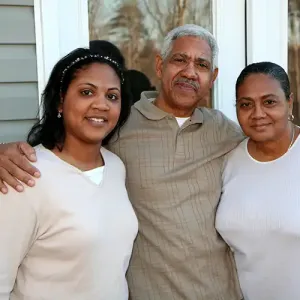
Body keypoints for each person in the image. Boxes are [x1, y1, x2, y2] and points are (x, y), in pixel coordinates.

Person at [0, 25, 244, 299]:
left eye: (201, 64)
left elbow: (275, 145)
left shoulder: (227, 133)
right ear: (160, 65)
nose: (189, 72)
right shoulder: (118, 129)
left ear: (213, 77)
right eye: (179, 59)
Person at [0, 47, 138, 299]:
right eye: (87, 92)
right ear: (60, 101)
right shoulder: (24, 173)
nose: (101, 104)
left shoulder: (116, 166)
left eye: (112, 96)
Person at [216, 62, 299, 300]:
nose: (258, 114)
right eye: (246, 105)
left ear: (289, 102)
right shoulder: (228, 160)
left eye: (269, 102)